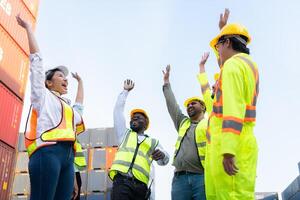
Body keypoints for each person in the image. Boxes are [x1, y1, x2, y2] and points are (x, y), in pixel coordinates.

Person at [17, 16, 85, 200]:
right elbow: (37, 63)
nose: (65, 79)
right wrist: (29, 29)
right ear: (48, 82)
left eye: (66, 77)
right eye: (60, 76)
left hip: (67, 160)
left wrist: (81, 83)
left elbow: (80, 109)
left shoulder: (68, 109)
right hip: (48, 153)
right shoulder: (42, 96)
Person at [206, 21, 259, 200]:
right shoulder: (245, 64)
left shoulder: (233, 66)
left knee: (232, 196)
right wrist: (222, 29)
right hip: (239, 142)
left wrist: (228, 150)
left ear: (228, 43)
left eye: (218, 45)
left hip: (231, 145)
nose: (217, 51)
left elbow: (233, 106)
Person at [109, 79, 169, 200]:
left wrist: (162, 155)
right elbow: (118, 111)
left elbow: (165, 161)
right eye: (133, 118)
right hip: (122, 182)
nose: (134, 118)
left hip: (141, 188)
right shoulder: (124, 134)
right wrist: (125, 91)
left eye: (139, 117)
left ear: (146, 123)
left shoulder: (153, 142)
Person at [162, 65, 207, 200]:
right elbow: (172, 105)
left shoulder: (209, 124)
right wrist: (166, 83)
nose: (190, 106)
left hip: (202, 177)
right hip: (180, 179)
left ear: (203, 107)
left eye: (194, 103)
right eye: (188, 105)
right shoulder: (183, 123)